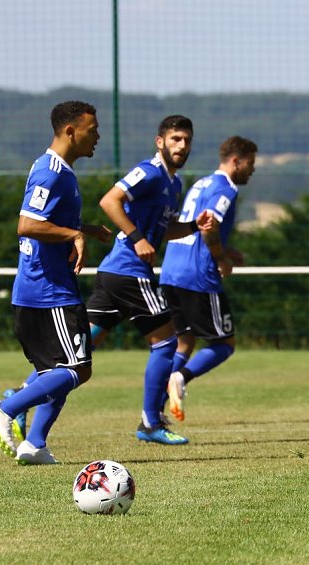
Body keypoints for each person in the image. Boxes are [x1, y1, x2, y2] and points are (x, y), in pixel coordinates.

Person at [0, 100, 111, 464]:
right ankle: (6, 407)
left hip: (45, 290)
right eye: (93, 128)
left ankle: (35, 444)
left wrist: (85, 229)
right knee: (77, 370)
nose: (98, 135)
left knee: (56, 372)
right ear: (71, 130)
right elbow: (27, 225)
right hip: (47, 292)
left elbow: (46, 220)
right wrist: (75, 234)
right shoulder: (50, 171)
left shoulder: (62, 171)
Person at [86, 115, 213, 445]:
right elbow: (109, 200)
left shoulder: (174, 184)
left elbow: (166, 230)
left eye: (187, 140)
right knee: (168, 342)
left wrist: (194, 226)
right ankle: (149, 423)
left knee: (78, 350)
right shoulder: (150, 171)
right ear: (160, 142)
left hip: (115, 274)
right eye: (175, 139)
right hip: (129, 272)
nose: (182, 146)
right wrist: (136, 237)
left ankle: (20, 397)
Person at [159, 136, 257, 422]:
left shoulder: (200, 183)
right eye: (250, 164)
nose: (252, 170)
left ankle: (155, 411)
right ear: (236, 161)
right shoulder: (226, 188)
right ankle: (181, 377)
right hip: (198, 275)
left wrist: (228, 250)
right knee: (224, 344)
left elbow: (196, 226)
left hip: (172, 270)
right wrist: (221, 258)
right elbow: (208, 227)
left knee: (184, 342)